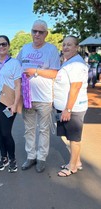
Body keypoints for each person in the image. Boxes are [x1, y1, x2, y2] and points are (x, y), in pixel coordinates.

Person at [17, 19, 60, 173]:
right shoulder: (25, 48)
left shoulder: (52, 50)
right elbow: (16, 67)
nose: (37, 34)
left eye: (40, 32)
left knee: (43, 130)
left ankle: (41, 158)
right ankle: (31, 156)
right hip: (27, 97)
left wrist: (35, 71)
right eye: (34, 31)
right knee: (28, 130)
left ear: (46, 34)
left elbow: (55, 72)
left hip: (44, 98)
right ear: (31, 32)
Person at [45, 36, 88, 177]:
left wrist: (68, 109)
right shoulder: (68, 62)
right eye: (64, 45)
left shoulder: (76, 65)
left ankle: (72, 167)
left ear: (76, 47)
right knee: (69, 137)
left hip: (73, 108)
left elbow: (75, 88)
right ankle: (77, 161)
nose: (65, 47)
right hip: (64, 106)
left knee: (74, 138)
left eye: (69, 45)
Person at [0, 35, 21, 173]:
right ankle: (4, 158)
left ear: (8, 45)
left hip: (7, 103)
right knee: (0, 131)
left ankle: (12, 159)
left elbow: (18, 86)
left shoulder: (14, 63)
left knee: (6, 132)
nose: (1, 46)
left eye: (4, 44)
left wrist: (14, 104)